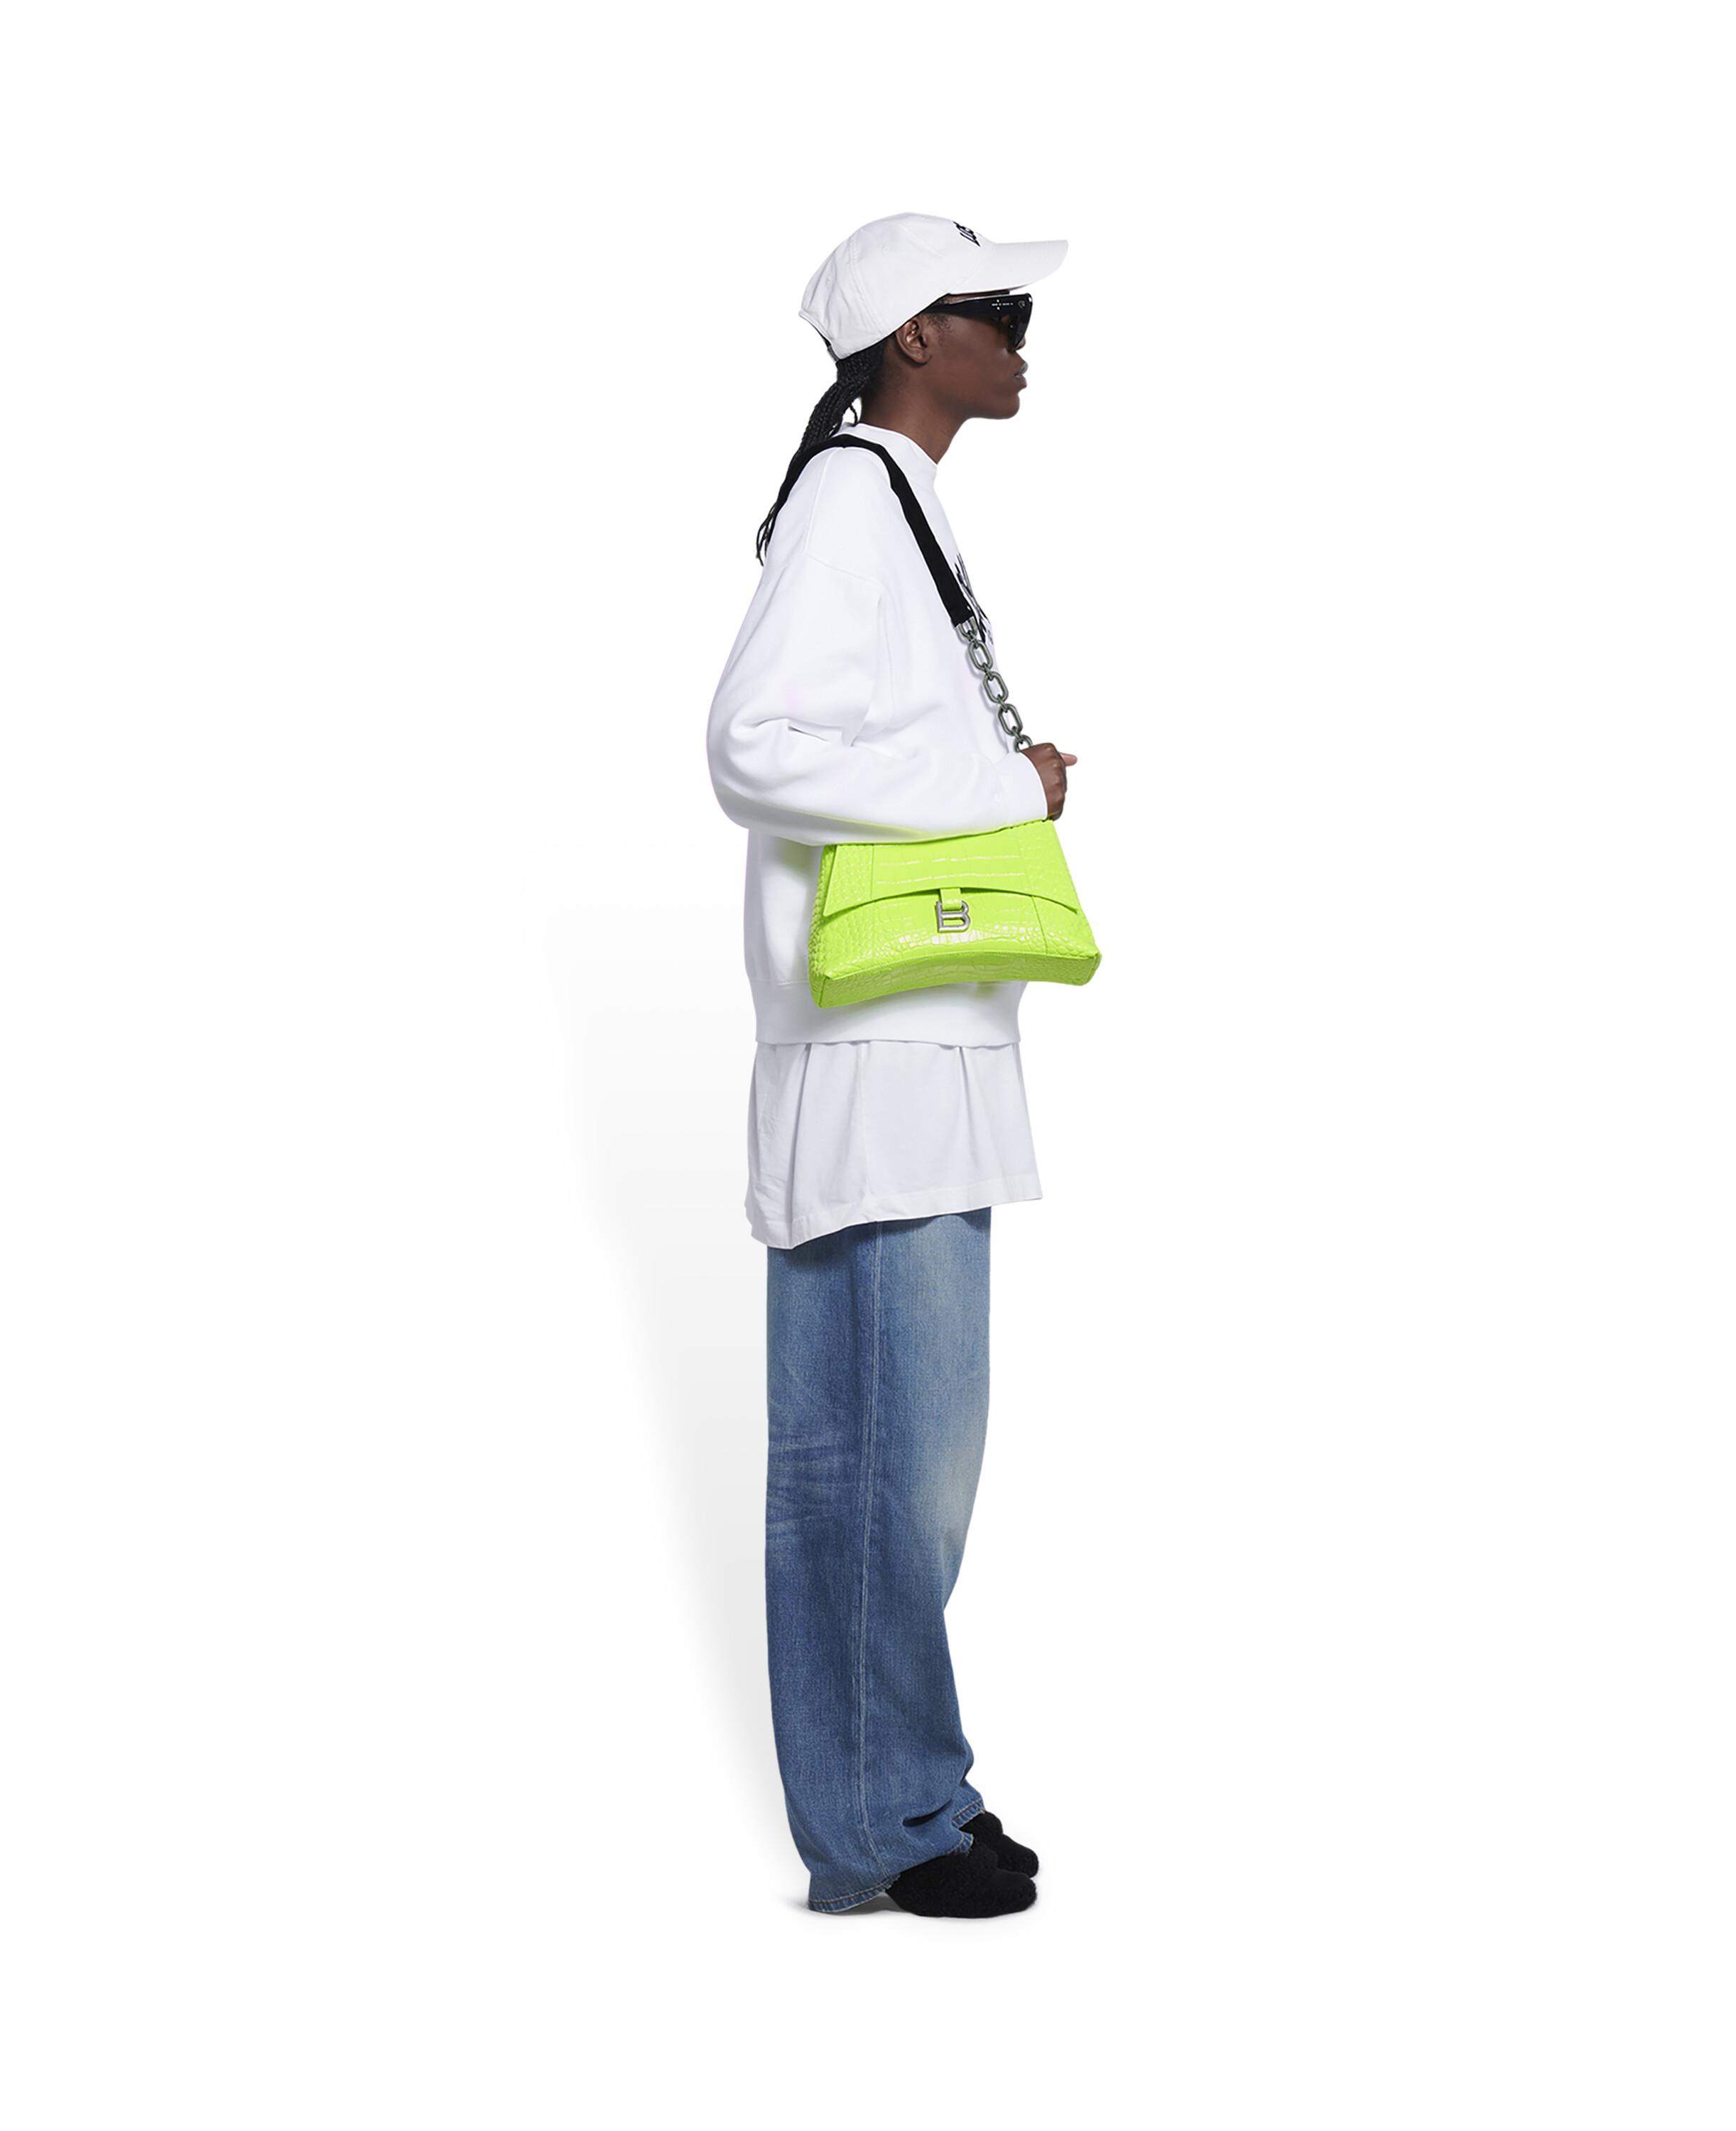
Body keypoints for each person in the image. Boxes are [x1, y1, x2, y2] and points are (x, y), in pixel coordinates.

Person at [707, 214, 1079, 1918]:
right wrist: (1001, 789)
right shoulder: (852, 501)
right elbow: (755, 746)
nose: (1024, 336)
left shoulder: (897, 504)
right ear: (915, 337)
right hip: (874, 1055)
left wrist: (996, 767)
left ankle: (913, 1790)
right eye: (997, 309)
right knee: (872, 1456)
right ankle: (883, 1827)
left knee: (915, 1464)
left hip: (922, 1041)